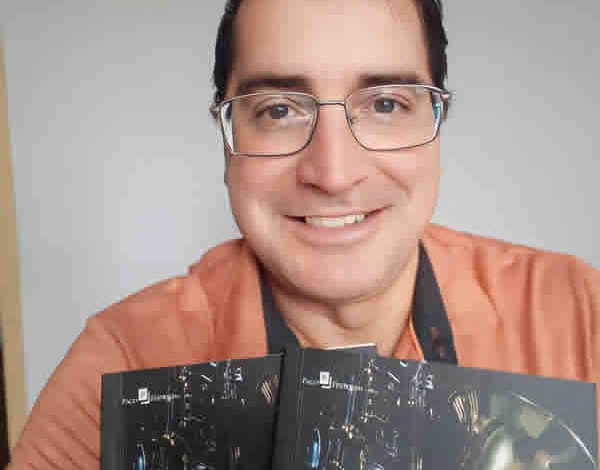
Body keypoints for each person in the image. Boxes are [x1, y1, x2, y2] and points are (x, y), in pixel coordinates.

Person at [8, 0, 600, 467]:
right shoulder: (123, 361)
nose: (333, 174)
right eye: (278, 110)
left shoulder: (576, 313)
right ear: (226, 142)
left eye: (386, 104)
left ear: (438, 124)